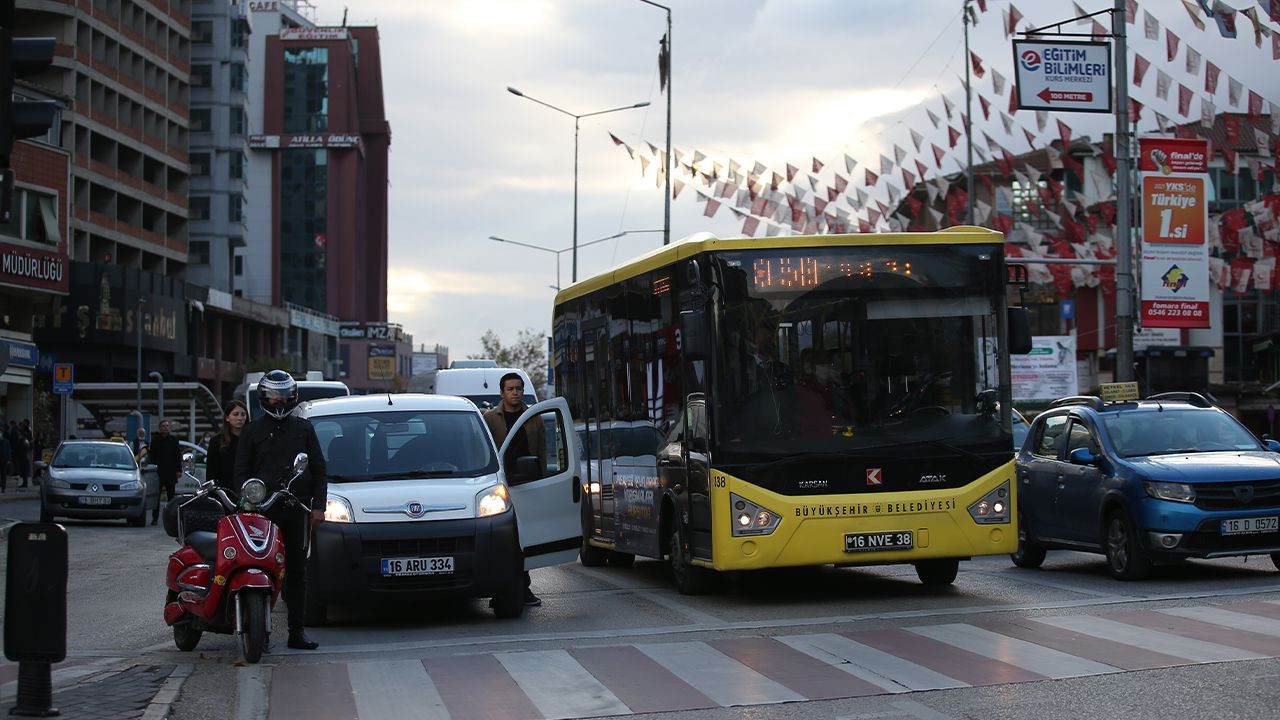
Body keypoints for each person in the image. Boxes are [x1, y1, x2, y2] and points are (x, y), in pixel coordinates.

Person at [233, 370, 327, 650]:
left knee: (298, 572)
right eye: (274, 395)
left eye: (284, 395)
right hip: (262, 513)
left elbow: (319, 469)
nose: (279, 401)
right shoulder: (251, 431)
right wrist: (249, 497)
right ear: (264, 397)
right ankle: (259, 631)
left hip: (296, 509)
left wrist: (318, 507)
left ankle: (297, 632)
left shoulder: (304, 428)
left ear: (293, 396)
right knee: (260, 568)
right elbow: (240, 472)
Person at [482, 372, 545, 607]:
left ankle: (522, 587)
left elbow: (542, 450)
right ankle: (504, 589)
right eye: (510, 389)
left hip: (528, 484)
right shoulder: (490, 418)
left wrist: (543, 478)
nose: (515, 392)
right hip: (500, 488)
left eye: (518, 388)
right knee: (504, 541)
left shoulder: (533, 416)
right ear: (502, 393)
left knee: (525, 541)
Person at [206, 400, 248, 492]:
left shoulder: (252, 440)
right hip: (224, 492)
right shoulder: (216, 441)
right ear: (227, 418)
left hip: (249, 491)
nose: (240, 418)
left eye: (243, 414)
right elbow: (211, 473)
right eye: (236, 414)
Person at [148, 420, 181, 525]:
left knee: (171, 497)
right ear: (159, 428)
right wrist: (151, 469)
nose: (165, 427)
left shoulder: (174, 440)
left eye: (167, 426)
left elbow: (177, 456)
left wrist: (178, 470)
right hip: (158, 472)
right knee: (156, 496)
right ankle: (154, 518)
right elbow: (151, 457)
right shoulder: (155, 440)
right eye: (163, 426)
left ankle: (171, 519)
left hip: (170, 472)